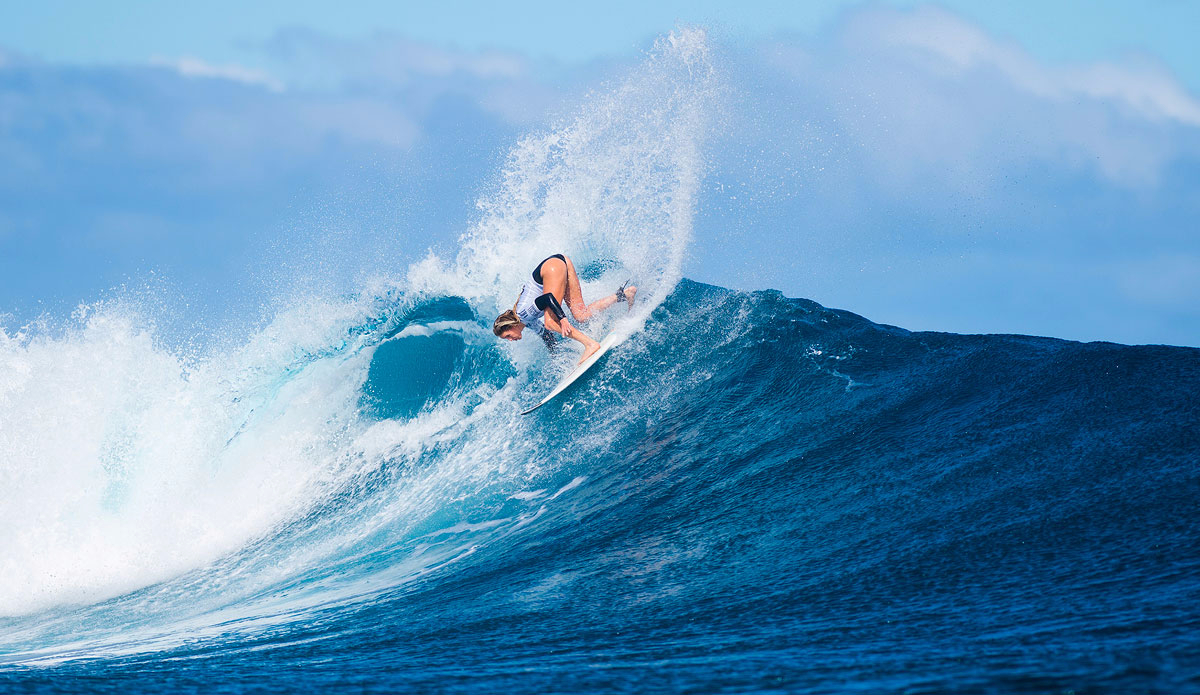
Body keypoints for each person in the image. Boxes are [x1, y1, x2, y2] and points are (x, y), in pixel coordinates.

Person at [493, 254, 636, 363]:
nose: (510, 340)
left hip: (551, 267)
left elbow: (547, 297)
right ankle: (624, 295)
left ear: (511, 325)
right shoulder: (526, 322)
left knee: (550, 322)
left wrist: (563, 319)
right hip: (560, 262)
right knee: (581, 315)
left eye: (508, 336)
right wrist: (557, 357)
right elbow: (546, 336)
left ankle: (590, 344)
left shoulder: (523, 313)